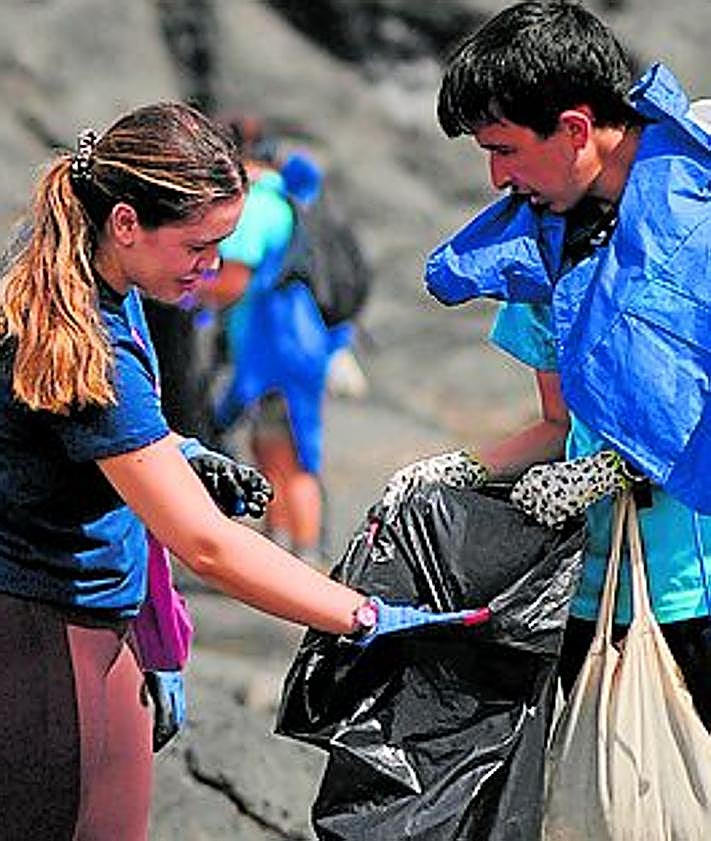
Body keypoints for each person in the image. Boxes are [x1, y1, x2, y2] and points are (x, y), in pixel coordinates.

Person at [0, 101, 467, 840]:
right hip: (43, 628)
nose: (213, 266)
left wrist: (176, 454)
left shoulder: (83, 263)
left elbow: (58, 435)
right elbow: (206, 545)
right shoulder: (85, 336)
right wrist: (362, 616)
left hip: (107, 611)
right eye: (197, 245)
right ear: (126, 222)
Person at [384, 0, 711, 729]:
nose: (496, 178)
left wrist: (619, 465)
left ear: (574, 129)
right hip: (592, 592)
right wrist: (457, 470)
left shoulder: (700, 213)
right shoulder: (545, 247)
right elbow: (559, 425)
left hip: (697, 586)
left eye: (504, 149)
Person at [199, 127, 362, 564]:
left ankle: (302, 556)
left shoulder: (258, 206)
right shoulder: (290, 201)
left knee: (290, 454)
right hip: (293, 345)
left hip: (277, 349)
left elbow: (233, 280)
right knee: (274, 448)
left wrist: (180, 294)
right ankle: (283, 549)